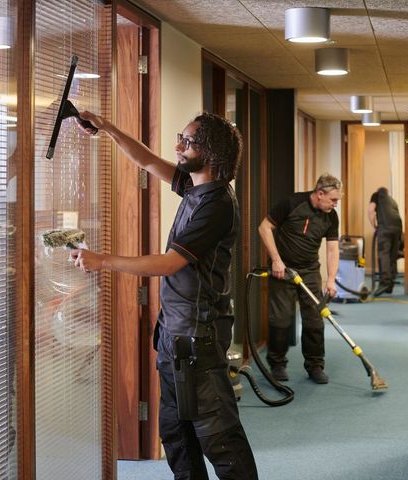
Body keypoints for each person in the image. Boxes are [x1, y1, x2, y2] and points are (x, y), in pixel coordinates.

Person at [71, 111, 258, 480]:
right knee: (176, 435)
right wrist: (107, 127)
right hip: (174, 334)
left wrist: (102, 260)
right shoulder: (194, 186)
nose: (178, 147)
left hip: (198, 339)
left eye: (186, 142)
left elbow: (171, 263)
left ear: (211, 151)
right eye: (181, 138)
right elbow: (144, 159)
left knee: (219, 439)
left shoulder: (217, 203)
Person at [257, 174, 341, 384]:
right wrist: (276, 260)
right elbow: (264, 228)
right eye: (333, 199)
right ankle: (277, 364)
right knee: (281, 319)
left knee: (314, 320)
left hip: (310, 271)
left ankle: (315, 365)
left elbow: (332, 249)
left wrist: (331, 279)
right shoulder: (292, 203)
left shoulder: (331, 216)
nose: (335, 204)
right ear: (319, 194)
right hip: (283, 270)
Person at [367, 186, 403, 295]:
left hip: (385, 228)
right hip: (398, 229)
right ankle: (390, 284)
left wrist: (374, 227)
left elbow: (371, 210)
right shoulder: (392, 200)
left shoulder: (376, 195)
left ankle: (385, 283)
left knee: (383, 255)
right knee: (392, 255)